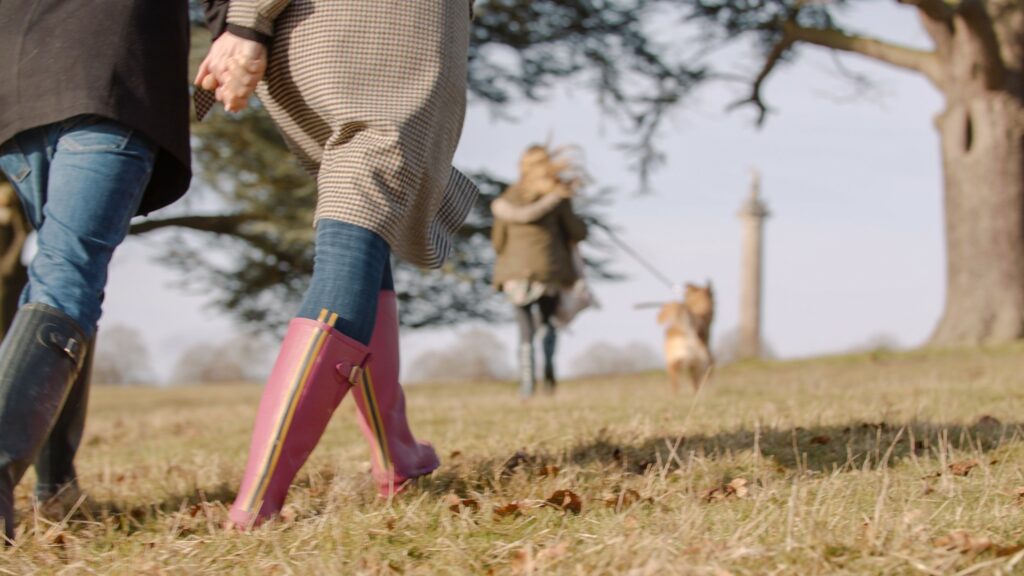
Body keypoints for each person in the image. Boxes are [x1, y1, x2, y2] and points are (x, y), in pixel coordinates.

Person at [196, 0, 479, 527]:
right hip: (387, 34)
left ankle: (396, 453)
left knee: (368, 215)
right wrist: (246, 21)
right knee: (357, 222)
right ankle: (256, 504)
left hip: (313, 39)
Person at [0, 2, 193, 541]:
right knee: (67, 275)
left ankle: (57, 486)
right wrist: (242, 29)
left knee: (61, 280)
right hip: (110, 70)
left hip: (16, 86)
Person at [491, 146, 588, 398]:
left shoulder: (508, 198)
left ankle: (526, 386)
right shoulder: (557, 197)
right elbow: (577, 232)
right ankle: (548, 378)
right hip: (548, 272)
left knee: (524, 329)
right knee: (547, 323)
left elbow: (497, 242)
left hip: (514, 274)